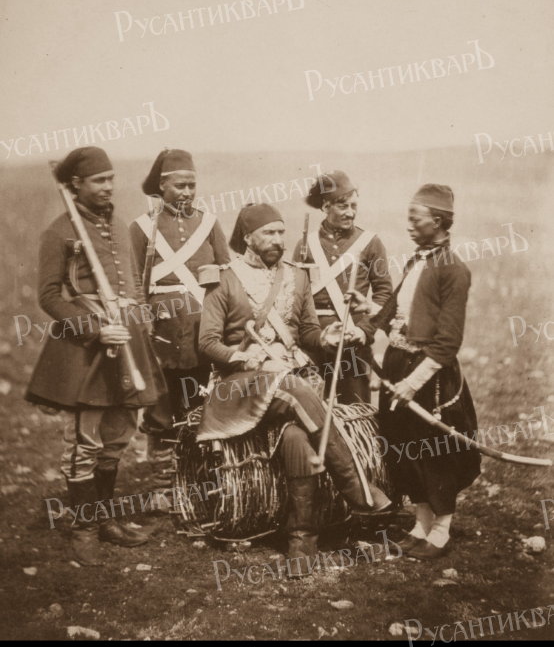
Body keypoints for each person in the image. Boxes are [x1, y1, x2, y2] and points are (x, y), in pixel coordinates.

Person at [197, 201, 386, 576]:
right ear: (247, 238)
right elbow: (207, 342)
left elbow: (308, 333)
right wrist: (241, 358)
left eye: (281, 232)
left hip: (290, 384)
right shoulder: (224, 279)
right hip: (239, 386)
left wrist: (328, 337)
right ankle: (359, 491)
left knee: (297, 437)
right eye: (268, 233)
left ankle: (302, 541)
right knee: (292, 387)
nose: (278, 240)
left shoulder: (298, 277)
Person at [25, 147, 166, 565]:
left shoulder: (118, 225)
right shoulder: (59, 232)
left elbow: (133, 284)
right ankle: (83, 528)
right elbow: (49, 296)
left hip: (129, 339)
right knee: (84, 442)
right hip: (88, 348)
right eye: (98, 180)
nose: (108, 187)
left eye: (111, 178)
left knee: (118, 437)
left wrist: (138, 322)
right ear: (76, 185)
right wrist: (95, 328)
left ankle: (105, 520)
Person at [375, 184, 480, 559]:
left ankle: (441, 530)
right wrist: (366, 319)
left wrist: (411, 383)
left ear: (437, 221)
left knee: (435, 453)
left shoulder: (454, 270)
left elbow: (448, 343)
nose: (408, 225)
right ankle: (420, 524)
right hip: (397, 366)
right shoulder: (415, 262)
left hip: (430, 378)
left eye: (414, 218)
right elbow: (395, 313)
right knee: (403, 446)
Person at [129, 149, 230, 485]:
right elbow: (132, 284)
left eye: (192, 185)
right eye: (179, 186)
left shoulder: (209, 224)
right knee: (160, 405)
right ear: (162, 186)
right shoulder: (141, 228)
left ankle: (195, 476)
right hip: (161, 331)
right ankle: (162, 481)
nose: (187, 192)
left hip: (204, 328)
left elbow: (227, 276)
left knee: (199, 401)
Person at [292, 171, 392, 406]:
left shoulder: (371, 243)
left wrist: (364, 331)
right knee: (311, 412)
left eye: (354, 206)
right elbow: (294, 298)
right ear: (326, 206)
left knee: (356, 412)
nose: (350, 212)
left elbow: (384, 294)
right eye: (343, 206)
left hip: (353, 344)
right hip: (314, 344)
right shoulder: (306, 245)